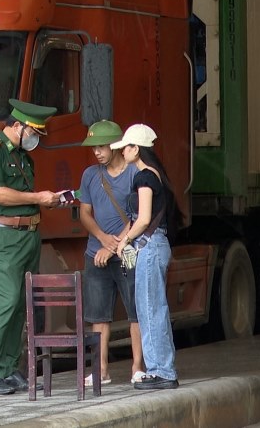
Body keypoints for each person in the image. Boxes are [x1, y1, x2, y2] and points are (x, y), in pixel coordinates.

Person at [0, 98, 60, 396]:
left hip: (28, 234)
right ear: (18, 126)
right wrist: (38, 198)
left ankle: (8, 368)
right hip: (5, 236)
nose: (36, 138)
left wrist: (48, 200)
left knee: (22, 303)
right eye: (33, 131)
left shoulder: (22, 157)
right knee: (6, 301)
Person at [111, 123, 180, 390]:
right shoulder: (155, 175)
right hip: (155, 245)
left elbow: (143, 219)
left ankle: (161, 370)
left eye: (125, 147)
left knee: (150, 309)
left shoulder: (144, 178)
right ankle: (162, 368)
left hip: (149, 248)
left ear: (135, 149)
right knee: (153, 308)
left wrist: (125, 240)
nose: (122, 152)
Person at [77, 120, 145, 386]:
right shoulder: (90, 175)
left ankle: (137, 367)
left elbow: (140, 214)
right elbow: (84, 212)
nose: (97, 152)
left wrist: (117, 244)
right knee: (98, 315)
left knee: (135, 312)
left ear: (117, 146)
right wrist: (103, 240)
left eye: (102, 146)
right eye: (94, 147)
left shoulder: (133, 173)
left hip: (127, 252)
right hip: (96, 253)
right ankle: (101, 369)